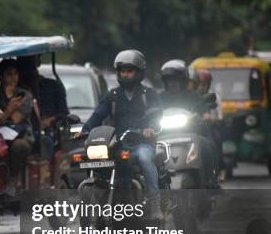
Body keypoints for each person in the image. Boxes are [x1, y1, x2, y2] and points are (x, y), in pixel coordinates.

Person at [76, 50, 163, 221]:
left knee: (145, 158)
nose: (126, 74)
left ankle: (154, 204)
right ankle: (103, 202)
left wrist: (150, 128)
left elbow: (157, 114)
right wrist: (85, 129)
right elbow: (98, 114)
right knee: (98, 163)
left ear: (139, 72)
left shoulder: (149, 94)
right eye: (122, 71)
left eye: (129, 71)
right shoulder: (113, 95)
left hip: (141, 143)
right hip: (118, 144)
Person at [159, 60, 219, 187]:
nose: (173, 83)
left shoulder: (194, 96)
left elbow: (204, 109)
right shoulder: (159, 98)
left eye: (176, 80)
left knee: (207, 144)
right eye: (169, 80)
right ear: (165, 82)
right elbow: (151, 111)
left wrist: (206, 115)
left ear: (184, 80)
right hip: (163, 136)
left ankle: (211, 179)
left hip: (191, 133)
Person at [0, 59, 34, 195]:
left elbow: (16, 119)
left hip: (22, 135)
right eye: (9, 74)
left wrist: (8, 109)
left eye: (15, 74)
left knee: (19, 146)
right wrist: (10, 107)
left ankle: (12, 180)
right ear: (1, 77)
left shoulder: (24, 95)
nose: (13, 78)